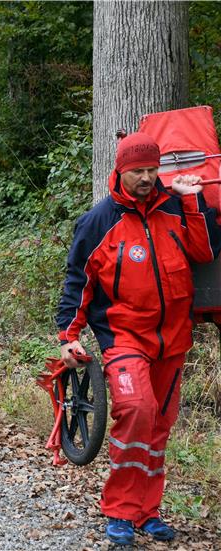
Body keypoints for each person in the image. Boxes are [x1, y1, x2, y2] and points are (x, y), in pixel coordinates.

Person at [56, 132, 221, 546]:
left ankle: (147, 512)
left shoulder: (173, 208)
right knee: (138, 412)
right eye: (137, 172)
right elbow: (78, 282)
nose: (147, 178)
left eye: (152, 170)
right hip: (124, 336)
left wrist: (190, 200)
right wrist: (68, 336)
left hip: (174, 339)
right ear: (120, 171)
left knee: (160, 426)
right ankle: (119, 511)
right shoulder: (98, 222)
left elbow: (205, 251)